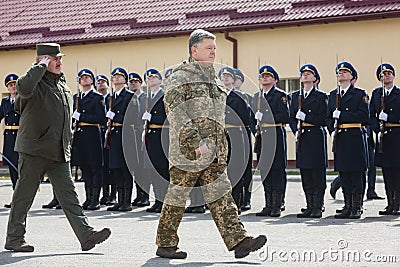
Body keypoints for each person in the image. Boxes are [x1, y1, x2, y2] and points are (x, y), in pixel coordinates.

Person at [156, 29, 266, 259]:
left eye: (215, 48)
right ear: (194, 50)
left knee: (222, 194)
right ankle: (165, 243)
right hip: (189, 151)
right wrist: (196, 142)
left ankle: (239, 240)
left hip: (215, 150)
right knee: (178, 196)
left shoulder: (214, 78)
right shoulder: (180, 75)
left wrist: (219, 146)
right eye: (208, 47)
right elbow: (176, 111)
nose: (213, 51)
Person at [5, 43, 110, 252]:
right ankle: (14, 238)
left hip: (58, 151)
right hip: (34, 149)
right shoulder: (34, 83)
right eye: (55, 59)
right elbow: (23, 88)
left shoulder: (61, 83)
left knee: (69, 195)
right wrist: (39, 68)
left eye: (60, 58)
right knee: (24, 196)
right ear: (43, 61)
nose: (60, 62)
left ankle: (86, 235)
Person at [327, 62, 369, 219]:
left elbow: (364, 116)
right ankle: (347, 205)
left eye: (345, 72)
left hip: (355, 136)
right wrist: (332, 131)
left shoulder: (359, 94)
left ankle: (357, 206)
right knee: (344, 173)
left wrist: (342, 116)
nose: (341, 74)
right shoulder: (333, 95)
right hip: (340, 137)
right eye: (339, 72)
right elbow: (328, 117)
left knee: (356, 173)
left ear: (352, 77)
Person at [289, 64, 328, 218]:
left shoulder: (321, 97)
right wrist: (296, 129)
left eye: (309, 73)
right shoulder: (295, 96)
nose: (305, 75)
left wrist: (307, 118)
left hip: (315, 136)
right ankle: (309, 205)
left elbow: (324, 119)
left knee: (317, 173)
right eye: (303, 73)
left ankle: (318, 205)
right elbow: (291, 117)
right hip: (302, 137)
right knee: (305, 172)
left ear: (315, 79)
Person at [252, 65, 289, 217]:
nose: (264, 78)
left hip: (275, 134)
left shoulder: (280, 95)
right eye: (262, 76)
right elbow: (251, 116)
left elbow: (284, 116)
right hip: (262, 137)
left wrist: (265, 117)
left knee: (277, 171)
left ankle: (277, 204)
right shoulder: (256, 97)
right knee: (265, 172)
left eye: (268, 76)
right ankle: (268, 204)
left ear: (275, 80)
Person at [70, 69, 105, 210]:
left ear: (92, 81)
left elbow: (100, 118)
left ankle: (95, 199)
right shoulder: (76, 97)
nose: (84, 79)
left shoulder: (97, 97)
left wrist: (82, 117)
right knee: (84, 167)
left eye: (87, 77)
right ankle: (88, 198)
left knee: (94, 167)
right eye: (82, 78)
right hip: (80, 135)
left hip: (92, 134)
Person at [106, 67, 139, 212]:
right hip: (114, 135)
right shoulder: (111, 97)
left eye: (120, 76)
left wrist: (116, 117)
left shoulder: (130, 96)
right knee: (117, 169)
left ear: (125, 80)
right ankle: (119, 200)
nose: (117, 78)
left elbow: (133, 117)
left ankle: (127, 201)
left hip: (126, 135)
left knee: (125, 169)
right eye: (114, 76)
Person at [219, 66, 250, 214]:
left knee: (235, 170)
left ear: (233, 79)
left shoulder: (239, 97)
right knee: (223, 173)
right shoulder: (217, 96)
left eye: (228, 76)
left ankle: (237, 203)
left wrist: (228, 118)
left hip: (235, 134)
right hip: (221, 136)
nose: (225, 79)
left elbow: (245, 119)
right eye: (223, 76)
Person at [370, 63, 400, 215]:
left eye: (389, 73)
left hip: (397, 135)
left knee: (397, 172)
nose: (386, 75)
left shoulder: (399, 93)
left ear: (393, 76)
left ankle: (398, 204)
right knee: (387, 173)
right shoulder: (376, 94)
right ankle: (390, 203)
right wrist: (377, 128)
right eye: (383, 74)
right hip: (383, 138)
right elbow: (371, 115)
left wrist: (390, 117)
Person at [142, 68, 170, 213]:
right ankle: (157, 200)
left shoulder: (165, 96)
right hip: (151, 137)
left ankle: (164, 201)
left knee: (162, 170)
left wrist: (153, 118)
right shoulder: (147, 97)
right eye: (149, 78)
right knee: (153, 171)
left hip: (162, 136)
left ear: (160, 81)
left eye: (154, 78)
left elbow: (169, 119)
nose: (151, 80)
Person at [233, 68, 254, 211]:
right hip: (231, 133)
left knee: (246, 168)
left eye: (237, 79)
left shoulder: (246, 97)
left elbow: (250, 118)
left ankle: (246, 198)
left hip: (243, 132)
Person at [128, 72, 150, 207]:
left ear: (140, 83)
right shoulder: (129, 98)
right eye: (131, 82)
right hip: (133, 134)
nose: (133, 84)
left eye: (136, 81)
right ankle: (138, 194)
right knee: (136, 167)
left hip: (143, 133)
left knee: (144, 166)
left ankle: (145, 195)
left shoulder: (144, 98)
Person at [96, 74, 117, 206]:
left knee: (112, 166)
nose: (101, 84)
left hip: (110, 133)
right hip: (99, 134)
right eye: (98, 82)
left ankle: (113, 195)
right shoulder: (97, 99)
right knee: (102, 166)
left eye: (103, 82)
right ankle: (105, 194)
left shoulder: (112, 98)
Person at [1, 73, 20, 208]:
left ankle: (21, 199)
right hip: (8, 138)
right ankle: (16, 198)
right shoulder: (5, 102)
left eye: (14, 84)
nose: (13, 87)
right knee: (12, 170)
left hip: (21, 137)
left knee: (21, 169)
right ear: (7, 88)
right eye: (10, 85)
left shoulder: (23, 100)